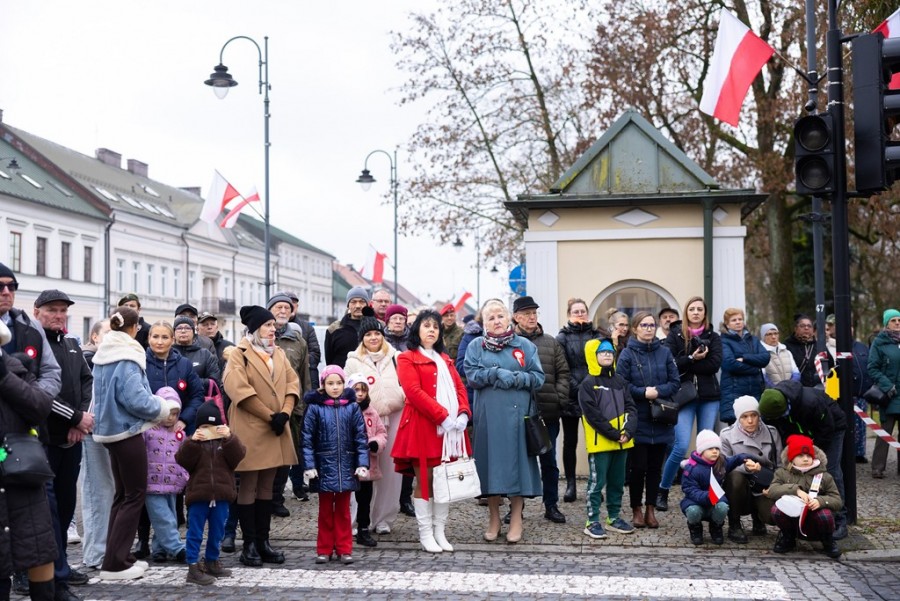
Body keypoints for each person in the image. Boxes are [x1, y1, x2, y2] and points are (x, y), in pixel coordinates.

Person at [91, 307, 180, 581]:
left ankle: (115, 557)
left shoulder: (104, 354)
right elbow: (136, 400)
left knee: (122, 496)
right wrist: (165, 407)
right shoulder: (127, 356)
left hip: (108, 432)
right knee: (134, 496)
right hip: (126, 433)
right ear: (135, 328)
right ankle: (116, 563)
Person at [223, 306, 299, 567]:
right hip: (252, 427)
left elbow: (292, 383)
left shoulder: (277, 353)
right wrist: (270, 416)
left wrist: (285, 413)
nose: (273, 330)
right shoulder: (238, 354)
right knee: (249, 485)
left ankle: (264, 542)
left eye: (273, 326)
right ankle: (250, 544)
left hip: (277, 427)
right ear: (255, 329)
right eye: (267, 325)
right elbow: (239, 390)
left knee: (268, 486)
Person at [464, 300, 543, 544]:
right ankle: (494, 518)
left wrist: (516, 378)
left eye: (500, 316)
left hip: (517, 419)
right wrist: (494, 373)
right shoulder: (476, 346)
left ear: (509, 318)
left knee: (517, 468)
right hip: (488, 419)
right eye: (491, 318)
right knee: (491, 470)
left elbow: (538, 378)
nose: (497, 321)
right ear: (484, 323)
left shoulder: (525, 346)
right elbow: (471, 375)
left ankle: (517, 518)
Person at [393, 310, 472, 552]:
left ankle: (440, 531)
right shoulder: (407, 358)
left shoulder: (446, 360)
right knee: (425, 481)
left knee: (444, 481)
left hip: (450, 432)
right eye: (426, 325)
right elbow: (413, 391)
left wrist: (462, 413)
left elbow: (460, 388)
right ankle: (426, 533)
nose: (431, 330)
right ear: (417, 329)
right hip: (422, 426)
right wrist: (443, 416)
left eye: (435, 327)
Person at [32, 289, 94, 596]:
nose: (58, 315)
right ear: (37, 312)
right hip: (44, 439)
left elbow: (86, 379)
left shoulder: (71, 344)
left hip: (73, 438)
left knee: (67, 504)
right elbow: (37, 391)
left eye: (62, 310)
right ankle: (39, 570)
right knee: (45, 509)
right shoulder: (32, 345)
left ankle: (62, 565)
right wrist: (74, 418)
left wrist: (81, 418)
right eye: (52, 310)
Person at [0, 320, 59, 600]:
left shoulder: (15, 369)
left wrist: (4, 378)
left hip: (22, 477)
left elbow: (39, 407)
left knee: (38, 552)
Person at [758, 380, 848, 539]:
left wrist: (811, 454)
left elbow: (827, 430)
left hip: (831, 428)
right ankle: (802, 514)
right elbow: (784, 430)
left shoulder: (810, 403)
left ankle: (839, 519)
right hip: (803, 430)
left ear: (783, 409)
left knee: (830, 470)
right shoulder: (773, 407)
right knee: (795, 470)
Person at [615, 311, 680, 529]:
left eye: (652, 325)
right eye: (644, 325)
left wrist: (657, 391)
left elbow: (675, 382)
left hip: (661, 416)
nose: (649, 328)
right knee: (638, 467)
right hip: (638, 416)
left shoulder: (665, 352)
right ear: (635, 328)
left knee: (655, 468)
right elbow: (621, 384)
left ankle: (651, 508)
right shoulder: (627, 354)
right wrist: (643, 393)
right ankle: (636, 508)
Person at [343, 308, 405, 535]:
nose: (373, 338)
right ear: (363, 338)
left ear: (383, 335)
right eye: (368, 335)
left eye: (377, 334)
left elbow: (407, 384)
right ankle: (359, 519)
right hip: (363, 420)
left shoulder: (397, 357)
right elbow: (346, 391)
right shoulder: (353, 360)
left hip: (394, 418)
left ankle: (384, 518)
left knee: (390, 473)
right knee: (361, 471)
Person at [658, 296, 722, 512]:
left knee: (708, 448)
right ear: (686, 312)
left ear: (705, 313)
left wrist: (687, 364)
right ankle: (663, 490)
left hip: (708, 397)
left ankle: (706, 492)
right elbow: (670, 364)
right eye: (692, 309)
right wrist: (693, 359)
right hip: (684, 397)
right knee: (680, 446)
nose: (696, 312)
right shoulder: (675, 335)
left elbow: (714, 365)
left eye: (700, 309)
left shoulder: (713, 336)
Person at [511, 295, 569, 525]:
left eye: (534, 313)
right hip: (517, 413)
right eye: (526, 314)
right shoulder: (509, 342)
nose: (532, 317)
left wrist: (559, 398)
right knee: (518, 462)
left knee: (549, 461)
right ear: (516, 317)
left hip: (547, 412)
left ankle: (551, 505)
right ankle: (516, 508)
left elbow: (564, 373)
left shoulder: (551, 342)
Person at [302, 366, 369, 564]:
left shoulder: (352, 407)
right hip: (323, 467)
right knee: (324, 511)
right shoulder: (315, 408)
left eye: (338, 383)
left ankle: (344, 548)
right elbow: (307, 439)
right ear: (323, 385)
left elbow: (360, 437)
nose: (335, 387)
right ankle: (324, 548)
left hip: (347, 466)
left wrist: (361, 463)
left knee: (343, 511)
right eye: (330, 383)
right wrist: (309, 465)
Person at [175, 402, 246, 586]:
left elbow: (239, 456)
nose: (209, 431)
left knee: (218, 531)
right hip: (199, 496)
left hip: (222, 496)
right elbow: (182, 459)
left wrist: (230, 437)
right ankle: (192, 566)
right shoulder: (195, 444)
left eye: (213, 427)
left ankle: (212, 561)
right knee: (195, 532)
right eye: (204, 427)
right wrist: (192, 441)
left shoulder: (225, 443)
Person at [578, 338, 637, 539]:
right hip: (601, 443)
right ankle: (592, 520)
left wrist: (628, 432)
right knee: (596, 482)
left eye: (610, 353)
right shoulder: (588, 384)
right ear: (593, 357)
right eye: (602, 353)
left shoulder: (620, 381)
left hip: (622, 442)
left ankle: (613, 517)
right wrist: (614, 434)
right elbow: (593, 416)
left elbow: (631, 407)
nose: (607, 356)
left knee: (617, 482)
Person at [267, 292, 312, 518]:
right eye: (278, 307)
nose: (283, 311)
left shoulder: (299, 342)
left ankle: (276, 497)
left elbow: (304, 377)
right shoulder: (261, 339)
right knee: (266, 456)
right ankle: (264, 496)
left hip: (291, 409)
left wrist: (301, 408)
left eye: (286, 307)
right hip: (265, 409)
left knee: (286, 456)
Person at [556, 298, 605, 504]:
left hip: (593, 394)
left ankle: (595, 485)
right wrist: (578, 386)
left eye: (582, 311)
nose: (580, 314)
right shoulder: (562, 337)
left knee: (595, 442)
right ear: (569, 314)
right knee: (570, 441)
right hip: (570, 394)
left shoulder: (597, 335)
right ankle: (570, 485)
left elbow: (603, 363)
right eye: (576, 311)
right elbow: (562, 367)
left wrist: (589, 386)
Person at [766, 434, 843, 559]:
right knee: (776, 510)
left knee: (825, 515)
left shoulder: (824, 476)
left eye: (809, 456)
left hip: (815, 519)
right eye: (800, 456)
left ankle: (827, 541)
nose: (806, 459)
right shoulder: (782, 473)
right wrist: (795, 490)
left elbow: (837, 501)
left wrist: (821, 501)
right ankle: (788, 537)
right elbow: (772, 491)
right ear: (791, 458)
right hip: (792, 517)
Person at [719, 395, 782, 543]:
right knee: (735, 478)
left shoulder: (772, 432)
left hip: (764, 485)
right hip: (739, 487)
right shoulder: (727, 435)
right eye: (744, 416)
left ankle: (758, 518)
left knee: (772, 517)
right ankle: (734, 524)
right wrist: (745, 466)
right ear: (738, 418)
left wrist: (776, 487)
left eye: (754, 415)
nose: (750, 420)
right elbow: (722, 467)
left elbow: (780, 465)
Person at [680, 430, 758, 545]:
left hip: (715, 499)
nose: (715, 452)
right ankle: (695, 528)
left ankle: (716, 526)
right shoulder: (691, 469)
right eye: (710, 449)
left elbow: (735, 460)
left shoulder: (721, 462)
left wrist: (746, 458)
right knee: (693, 511)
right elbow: (689, 489)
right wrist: (707, 496)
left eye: (717, 449)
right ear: (701, 450)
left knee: (723, 507)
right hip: (695, 501)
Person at [79, 319, 114, 572]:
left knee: (110, 492)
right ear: (95, 337)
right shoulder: (88, 359)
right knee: (97, 493)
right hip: (93, 433)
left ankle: (108, 550)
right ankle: (95, 553)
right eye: (108, 333)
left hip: (113, 433)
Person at [0, 263, 61, 398]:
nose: (6, 292)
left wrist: (31, 397)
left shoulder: (33, 327)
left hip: (25, 414)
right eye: (0, 287)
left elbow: (51, 372)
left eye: (11, 286)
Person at [142, 387, 187, 563]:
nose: (171, 418)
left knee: (171, 516)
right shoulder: (148, 430)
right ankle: (177, 548)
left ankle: (159, 548)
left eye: (175, 414)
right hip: (151, 482)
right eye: (168, 413)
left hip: (172, 483)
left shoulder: (179, 434)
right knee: (162, 517)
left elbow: (185, 456)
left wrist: (184, 476)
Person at [345, 373, 387, 548]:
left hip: (367, 465)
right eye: (356, 390)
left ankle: (363, 528)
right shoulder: (345, 410)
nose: (360, 394)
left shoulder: (372, 412)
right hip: (349, 464)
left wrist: (376, 443)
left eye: (363, 390)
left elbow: (381, 432)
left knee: (365, 499)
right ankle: (344, 529)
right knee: (345, 499)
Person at [719, 308, 769, 425]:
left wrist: (746, 358)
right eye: (733, 320)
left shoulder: (753, 340)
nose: (738, 322)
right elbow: (729, 364)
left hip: (755, 391)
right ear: (727, 324)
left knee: (757, 428)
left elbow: (765, 357)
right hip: (734, 393)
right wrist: (756, 368)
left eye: (740, 319)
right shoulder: (723, 341)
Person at [867, 308, 900, 479]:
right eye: (893, 320)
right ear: (886, 323)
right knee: (884, 433)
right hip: (889, 395)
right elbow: (872, 368)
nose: (897, 323)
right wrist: (887, 386)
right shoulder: (879, 342)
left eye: (899, 320)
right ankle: (878, 467)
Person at [172, 316, 222, 394]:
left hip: (201, 401)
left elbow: (215, 382)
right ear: (174, 333)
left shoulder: (205, 355)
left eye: (187, 328)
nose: (183, 331)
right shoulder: (168, 354)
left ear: (194, 332)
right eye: (179, 328)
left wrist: (188, 382)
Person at [324, 286, 369, 368]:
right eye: (353, 302)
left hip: (369, 377)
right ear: (348, 305)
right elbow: (329, 360)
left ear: (367, 304)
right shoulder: (334, 329)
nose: (358, 306)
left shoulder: (376, 327)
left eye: (362, 302)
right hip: (342, 377)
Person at [783, 314, 820, 388]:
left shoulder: (819, 345)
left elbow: (830, 363)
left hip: (817, 388)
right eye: (802, 326)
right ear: (796, 329)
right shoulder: (786, 346)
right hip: (797, 388)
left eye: (809, 326)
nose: (806, 328)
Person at [759, 323, 800, 387]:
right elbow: (763, 377)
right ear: (763, 336)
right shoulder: (760, 354)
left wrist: (790, 387)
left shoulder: (787, 352)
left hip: (790, 392)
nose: (773, 337)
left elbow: (796, 373)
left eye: (776, 333)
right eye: (769, 334)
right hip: (772, 393)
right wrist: (777, 390)